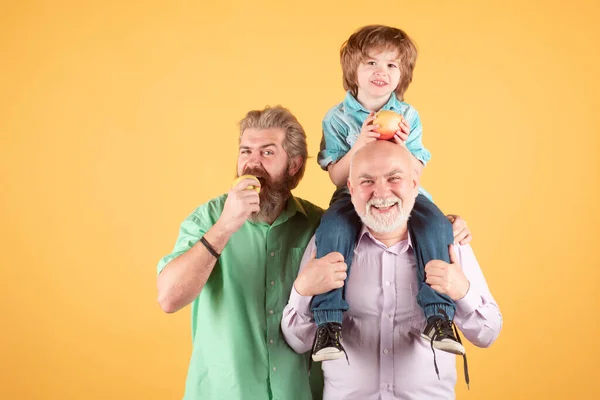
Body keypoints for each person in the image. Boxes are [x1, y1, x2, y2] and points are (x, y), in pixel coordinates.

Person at [282, 141, 502, 399]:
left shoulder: (448, 244)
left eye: (393, 178)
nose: (381, 192)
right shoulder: (327, 245)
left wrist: (462, 291)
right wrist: (302, 290)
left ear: (414, 185)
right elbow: (298, 342)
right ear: (351, 190)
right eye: (367, 181)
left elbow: (488, 333)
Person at [311, 24, 471, 362]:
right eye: (370, 63)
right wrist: (359, 146)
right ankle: (328, 323)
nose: (380, 72)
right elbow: (337, 177)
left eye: (391, 65)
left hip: (402, 193)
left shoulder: (408, 116)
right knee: (332, 230)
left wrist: (401, 148)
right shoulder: (337, 118)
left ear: (402, 75)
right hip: (353, 195)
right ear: (353, 70)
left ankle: (438, 316)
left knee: (436, 226)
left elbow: (415, 173)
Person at [156, 106, 325, 400]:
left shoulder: (318, 225)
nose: (252, 163)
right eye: (246, 151)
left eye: (267, 152)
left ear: (294, 165)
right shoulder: (208, 218)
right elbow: (168, 298)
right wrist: (224, 227)